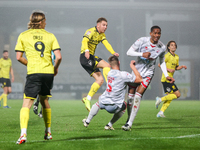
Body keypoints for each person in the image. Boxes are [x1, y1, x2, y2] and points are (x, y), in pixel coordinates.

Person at [15, 10, 62, 144]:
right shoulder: (50, 36)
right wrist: (55, 68)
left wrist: (30, 64)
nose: (46, 23)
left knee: (26, 103)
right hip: (48, 73)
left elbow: (19, 57)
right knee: (44, 101)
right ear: (41, 22)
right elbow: (58, 57)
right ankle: (48, 132)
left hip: (34, 72)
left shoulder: (23, 35)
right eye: (45, 21)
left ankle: (23, 134)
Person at [122, 25, 175, 131]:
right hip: (136, 72)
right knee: (130, 98)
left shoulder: (162, 47)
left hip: (148, 74)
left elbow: (162, 62)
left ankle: (129, 124)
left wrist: (167, 74)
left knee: (138, 95)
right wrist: (142, 54)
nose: (157, 35)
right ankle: (128, 119)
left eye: (159, 33)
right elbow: (129, 52)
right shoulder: (142, 40)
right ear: (151, 33)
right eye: (155, 33)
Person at [82, 55, 142, 130]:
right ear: (119, 63)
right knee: (124, 106)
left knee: (97, 104)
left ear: (110, 65)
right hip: (114, 106)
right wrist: (133, 67)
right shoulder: (124, 75)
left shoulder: (109, 73)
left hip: (103, 102)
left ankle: (87, 121)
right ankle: (109, 125)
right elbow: (139, 80)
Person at [80, 17, 119, 112]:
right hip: (86, 57)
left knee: (99, 80)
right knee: (107, 65)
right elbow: (84, 41)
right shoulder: (91, 31)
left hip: (90, 59)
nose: (105, 27)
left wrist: (113, 52)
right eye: (103, 25)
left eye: (106, 25)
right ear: (98, 25)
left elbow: (107, 44)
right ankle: (110, 87)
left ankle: (87, 99)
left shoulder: (102, 35)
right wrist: (87, 50)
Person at [155, 41, 187, 117]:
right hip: (166, 79)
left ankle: (161, 112)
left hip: (170, 79)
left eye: (175, 45)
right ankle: (160, 99)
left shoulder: (176, 57)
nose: (174, 46)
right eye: (172, 45)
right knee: (177, 94)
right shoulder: (166, 56)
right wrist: (168, 69)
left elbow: (176, 68)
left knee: (170, 97)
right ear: (168, 47)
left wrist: (181, 66)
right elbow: (160, 64)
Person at [33, 51, 56, 118]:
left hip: (50, 73)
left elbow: (54, 61)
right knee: (42, 91)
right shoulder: (44, 49)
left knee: (48, 93)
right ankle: (36, 104)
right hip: (43, 72)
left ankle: (41, 111)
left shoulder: (54, 52)